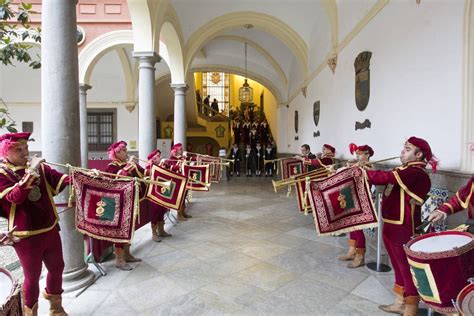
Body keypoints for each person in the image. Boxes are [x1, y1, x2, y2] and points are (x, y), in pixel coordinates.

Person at [0, 132, 69, 315]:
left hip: (50, 228)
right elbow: (15, 197)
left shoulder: (40, 168)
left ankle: (56, 308)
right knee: (32, 276)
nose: (25, 153)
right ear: (6, 153)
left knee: (57, 267)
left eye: (26, 148)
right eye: (19, 150)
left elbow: (60, 179)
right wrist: (32, 172)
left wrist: (80, 176)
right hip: (25, 236)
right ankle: (31, 312)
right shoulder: (2, 174)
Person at [366, 137, 435, 316]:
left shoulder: (416, 172)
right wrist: (365, 170)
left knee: (405, 267)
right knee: (397, 265)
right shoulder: (405, 170)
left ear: (419, 154)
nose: (402, 152)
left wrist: (362, 173)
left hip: (403, 227)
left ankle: (410, 307)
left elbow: (387, 177)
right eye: (403, 148)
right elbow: (383, 178)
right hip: (391, 223)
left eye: (407, 149)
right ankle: (399, 302)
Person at [105, 141, 142, 271]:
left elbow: (142, 174)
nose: (127, 152)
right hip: (119, 204)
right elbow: (115, 181)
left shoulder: (127, 164)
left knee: (129, 229)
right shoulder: (111, 166)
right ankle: (119, 260)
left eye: (126, 150)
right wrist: (128, 168)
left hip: (130, 200)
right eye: (125, 150)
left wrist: (136, 166)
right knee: (120, 231)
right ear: (117, 153)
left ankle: (127, 254)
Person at [339, 144, 374, 268]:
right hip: (352, 197)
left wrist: (352, 168)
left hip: (361, 200)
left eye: (360, 154)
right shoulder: (358, 165)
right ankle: (352, 251)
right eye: (357, 154)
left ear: (367, 154)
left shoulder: (369, 167)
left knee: (358, 228)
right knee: (351, 226)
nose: (357, 156)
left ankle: (360, 256)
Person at [145, 149, 172, 242]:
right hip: (154, 195)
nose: (159, 157)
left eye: (159, 156)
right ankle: (154, 233)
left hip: (162, 193)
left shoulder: (161, 166)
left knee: (162, 211)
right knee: (155, 213)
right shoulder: (148, 167)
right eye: (157, 156)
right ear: (152, 158)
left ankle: (161, 230)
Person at [161, 143, 191, 221]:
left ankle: (183, 213)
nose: (181, 150)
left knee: (183, 198)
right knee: (180, 198)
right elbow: (175, 168)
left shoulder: (180, 158)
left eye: (181, 149)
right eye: (180, 149)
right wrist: (183, 158)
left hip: (184, 180)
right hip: (177, 182)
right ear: (176, 150)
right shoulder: (171, 159)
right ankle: (179, 215)